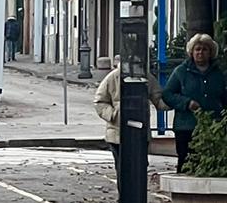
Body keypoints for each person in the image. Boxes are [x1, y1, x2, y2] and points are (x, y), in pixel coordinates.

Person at [162, 33, 226, 171]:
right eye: (197, 49)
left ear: (210, 53)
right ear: (192, 52)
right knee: (186, 162)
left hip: (212, 127)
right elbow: (167, 94)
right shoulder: (181, 72)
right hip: (186, 126)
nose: (200, 53)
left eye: (204, 49)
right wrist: (186, 103)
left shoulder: (218, 74)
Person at [93, 62, 164, 167]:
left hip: (140, 129)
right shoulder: (113, 77)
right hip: (117, 132)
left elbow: (158, 98)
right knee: (122, 165)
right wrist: (114, 115)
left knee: (139, 165)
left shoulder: (146, 77)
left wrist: (176, 102)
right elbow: (100, 101)